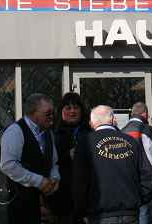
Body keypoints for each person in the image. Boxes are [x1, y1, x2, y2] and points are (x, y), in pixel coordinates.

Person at [73, 105, 152, 224]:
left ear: (91, 123)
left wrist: (82, 211)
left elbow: (79, 181)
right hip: (129, 213)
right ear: (112, 119)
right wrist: (138, 199)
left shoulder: (85, 143)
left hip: (100, 214)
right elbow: (148, 176)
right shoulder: (131, 141)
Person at [0, 93, 60, 224]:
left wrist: (54, 178)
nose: (52, 117)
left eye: (53, 113)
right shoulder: (15, 131)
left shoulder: (48, 133)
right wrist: (39, 181)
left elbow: (54, 162)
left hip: (44, 207)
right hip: (20, 207)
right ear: (33, 113)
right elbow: (8, 165)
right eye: (48, 113)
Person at [122, 102, 152, 224]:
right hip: (147, 183)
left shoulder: (121, 132)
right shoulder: (148, 131)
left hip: (128, 182)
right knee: (146, 217)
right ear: (145, 114)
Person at [49, 92, 90, 224]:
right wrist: (67, 155)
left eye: (76, 108)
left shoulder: (89, 133)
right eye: (68, 108)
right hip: (61, 198)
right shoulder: (52, 134)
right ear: (61, 111)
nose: (72, 111)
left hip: (87, 197)